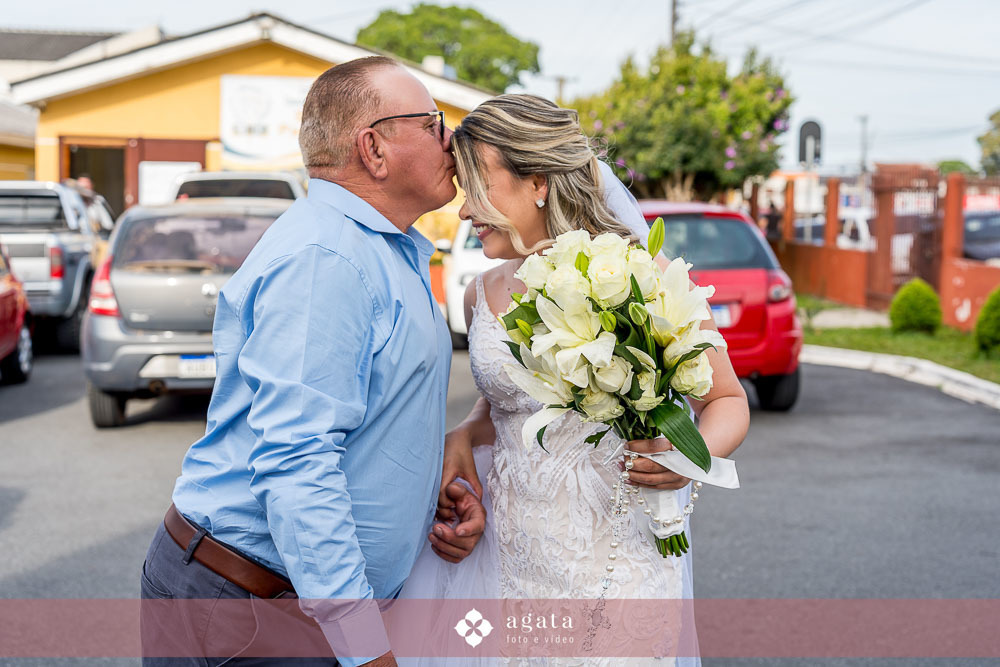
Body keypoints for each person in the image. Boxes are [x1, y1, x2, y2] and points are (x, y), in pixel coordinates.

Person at [140, 56, 486, 667]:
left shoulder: (383, 246)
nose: (451, 139)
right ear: (373, 148)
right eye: (434, 123)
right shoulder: (329, 259)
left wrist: (417, 490)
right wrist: (364, 646)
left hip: (290, 604)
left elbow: (372, 415)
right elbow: (297, 462)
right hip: (256, 609)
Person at [398, 95, 750, 666]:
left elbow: (727, 401)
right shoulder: (479, 295)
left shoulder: (644, 278)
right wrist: (464, 431)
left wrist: (689, 457)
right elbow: (506, 402)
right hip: (511, 562)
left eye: (479, 189)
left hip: (618, 557)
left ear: (537, 181)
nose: (465, 212)